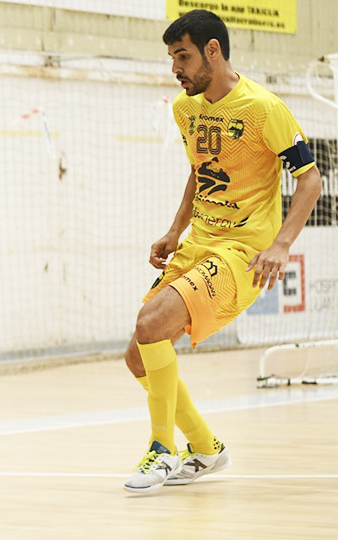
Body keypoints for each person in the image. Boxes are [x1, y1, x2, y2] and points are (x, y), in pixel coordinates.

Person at [122, 9, 322, 494]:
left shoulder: (263, 109)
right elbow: (200, 169)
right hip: (198, 245)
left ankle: (161, 449)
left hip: (243, 253)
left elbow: (311, 179)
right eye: (172, 57)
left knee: (151, 327)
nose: (176, 68)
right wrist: (175, 230)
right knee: (138, 357)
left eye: (183, 56)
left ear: (213, 50)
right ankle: (206, 448)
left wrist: (281, 245)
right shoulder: (186, 109)